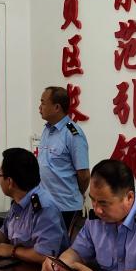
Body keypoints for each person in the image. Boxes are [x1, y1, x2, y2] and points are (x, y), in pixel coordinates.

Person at [0, 147, 69, 264]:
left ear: (10, 182)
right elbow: (5, 232)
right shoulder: (18, 201)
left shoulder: (44, 208)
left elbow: (44, 255)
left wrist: (12, 251)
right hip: (20, 268)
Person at [38, 86, 90, 229]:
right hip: (45, 206)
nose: (40, 107)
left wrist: (76, 193)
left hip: (66, 208)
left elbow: (84, 175)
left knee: (62, 244)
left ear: (56, 107)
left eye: (43, 103)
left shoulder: (73, 133)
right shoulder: (46, 130)